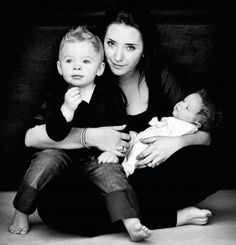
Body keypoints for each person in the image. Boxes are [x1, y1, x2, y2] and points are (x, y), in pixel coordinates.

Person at [23, 0, 222, 236]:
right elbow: (30, 137)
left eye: (130, 47)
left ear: (144, 49)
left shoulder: (159, 77)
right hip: (98, 175)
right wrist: (91, 136)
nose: (118, 56)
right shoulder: (85, 71)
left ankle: (131, 213)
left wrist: (174, 143)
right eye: (111, 44)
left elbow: (205, 135)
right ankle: (169, 216)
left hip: (145, 175)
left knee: (214, 164)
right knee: (54, 204)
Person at [9, 25, 151, 241]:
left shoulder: (109, 95)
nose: (77, 67)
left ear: (100, 68)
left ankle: (131, 221)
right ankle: (21, 211)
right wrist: (66, 110)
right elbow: (54, 135)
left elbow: (122, 130)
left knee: (112, 174)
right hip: (62, 153)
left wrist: (116, 153)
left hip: (96, 157)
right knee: (44, 160)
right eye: (69, 61)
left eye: (86, 62)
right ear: (59, 67)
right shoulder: (57, 95)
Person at [122, 88, 221, 176]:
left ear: (197, 124)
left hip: (147, 150)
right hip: (136, 141)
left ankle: (128, 167)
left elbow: (206, 137)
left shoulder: (186, 127)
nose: (181, 104)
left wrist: (177, 141)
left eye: (187, 108)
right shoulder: (177, 119)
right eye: (183, 100)